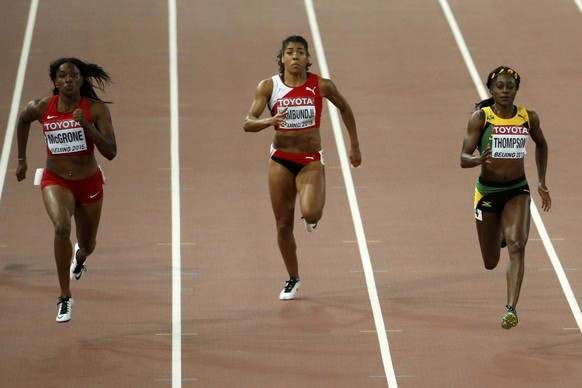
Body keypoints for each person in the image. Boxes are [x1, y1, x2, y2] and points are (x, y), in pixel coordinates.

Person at [244, 35, 361, 300]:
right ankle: (293, 278)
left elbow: (345, 109)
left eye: (300, 52)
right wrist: (269, 121)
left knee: (310, 214)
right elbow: (248, 122)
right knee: (283, 226)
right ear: (282, 59)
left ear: (308, 59)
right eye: (290, 52)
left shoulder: (321, 85)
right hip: (281, 161)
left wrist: (354, 146)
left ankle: (313, 212)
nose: (295, 57)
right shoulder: (269, 87)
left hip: (309, 160)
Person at [15, 58, 117, 323]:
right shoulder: (41, 107)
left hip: (89, 183)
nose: (69, 79)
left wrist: (86, 126)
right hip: (56, 179)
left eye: (74, 75)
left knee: (87, 245)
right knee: (61, 227)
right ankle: (64, 296)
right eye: (63, 76)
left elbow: (111, 152)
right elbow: (22, 120)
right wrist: (21, 159)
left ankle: (80, 258)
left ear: (81, 80)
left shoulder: (94, 110)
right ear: (56, 82)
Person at [460, 66, 550, 329]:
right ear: (491, 89)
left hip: (516, 191)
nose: (505, 91)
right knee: (490, 262)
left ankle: (511, 308)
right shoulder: (481, 118)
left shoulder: (527, 118)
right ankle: (499, 231)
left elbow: (542, 144)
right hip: (488, 193)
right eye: (500, 86)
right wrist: (478, 159)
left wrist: (542, 181)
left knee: (518, 245)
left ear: (516, 89)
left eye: (510, 86)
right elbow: (462, 158)